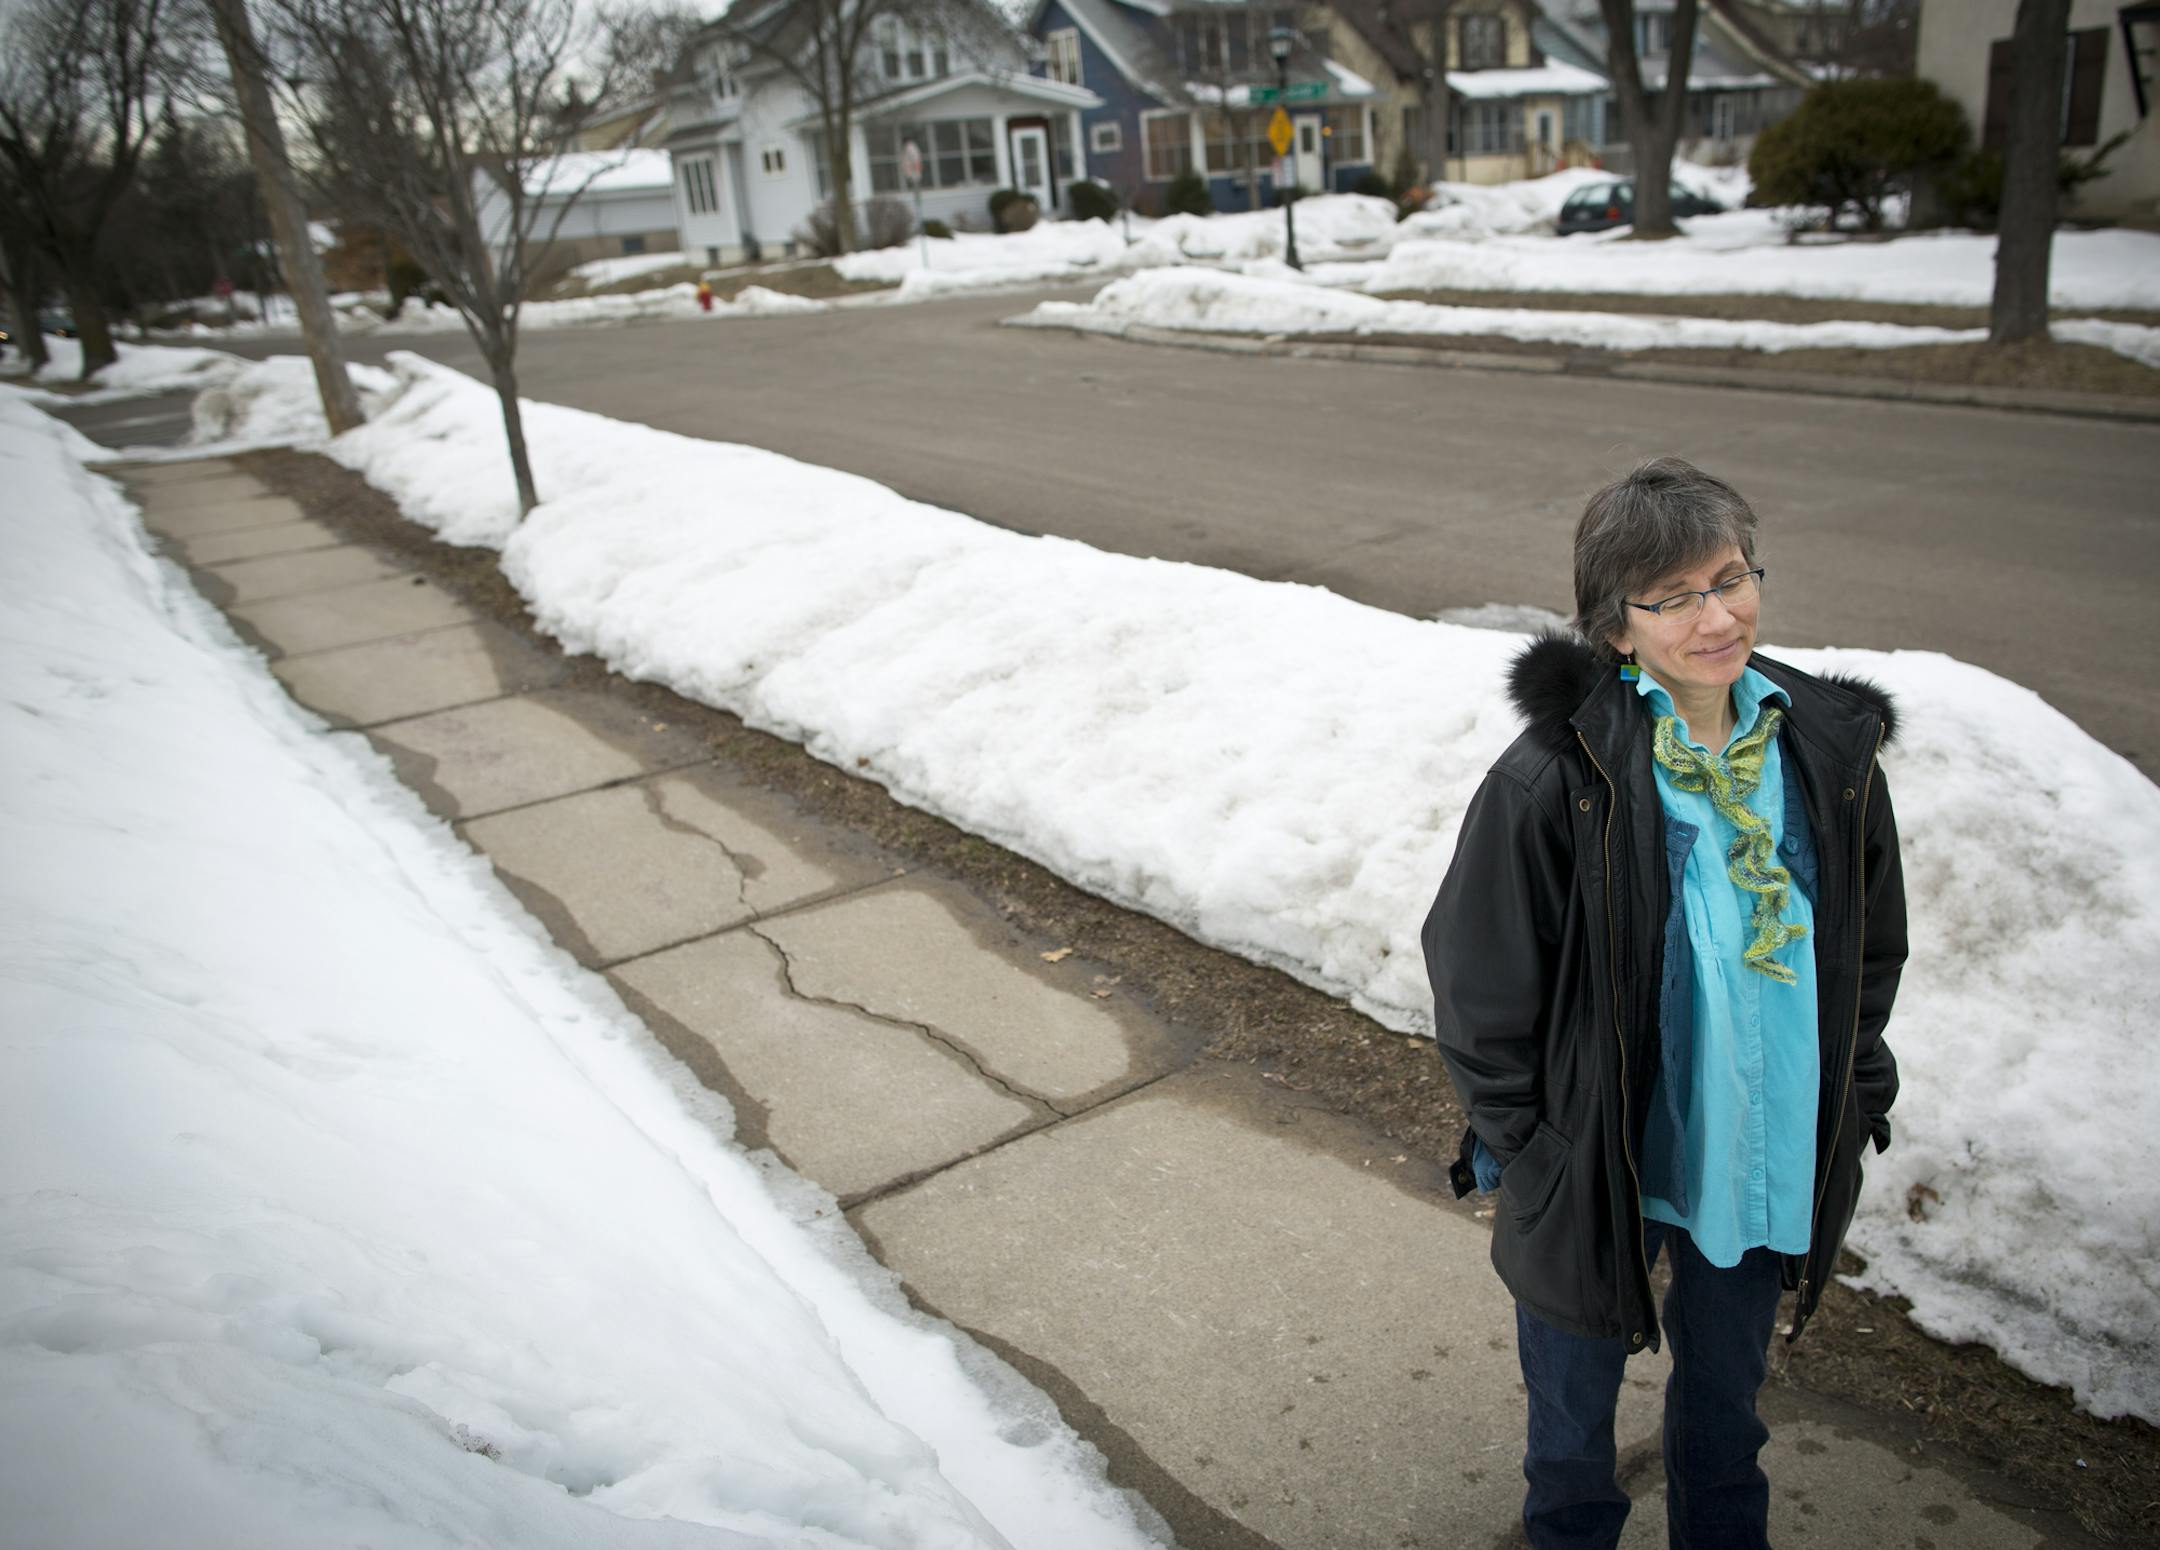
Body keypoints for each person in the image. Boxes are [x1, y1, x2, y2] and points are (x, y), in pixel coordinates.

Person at [1422, 457, 1908, 1550]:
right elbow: (1479, 975)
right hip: (1599, 1155)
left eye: (1731, 578)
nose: (1716, 615)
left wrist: (1857, 1078)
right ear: (1616, 624)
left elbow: (1869, 947)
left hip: (1759, 1138)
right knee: (1573, 1426)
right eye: (1675, 596)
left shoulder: (1826, 749)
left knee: (1729, 1416)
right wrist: (1534, 1147)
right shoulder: (1560, 773)